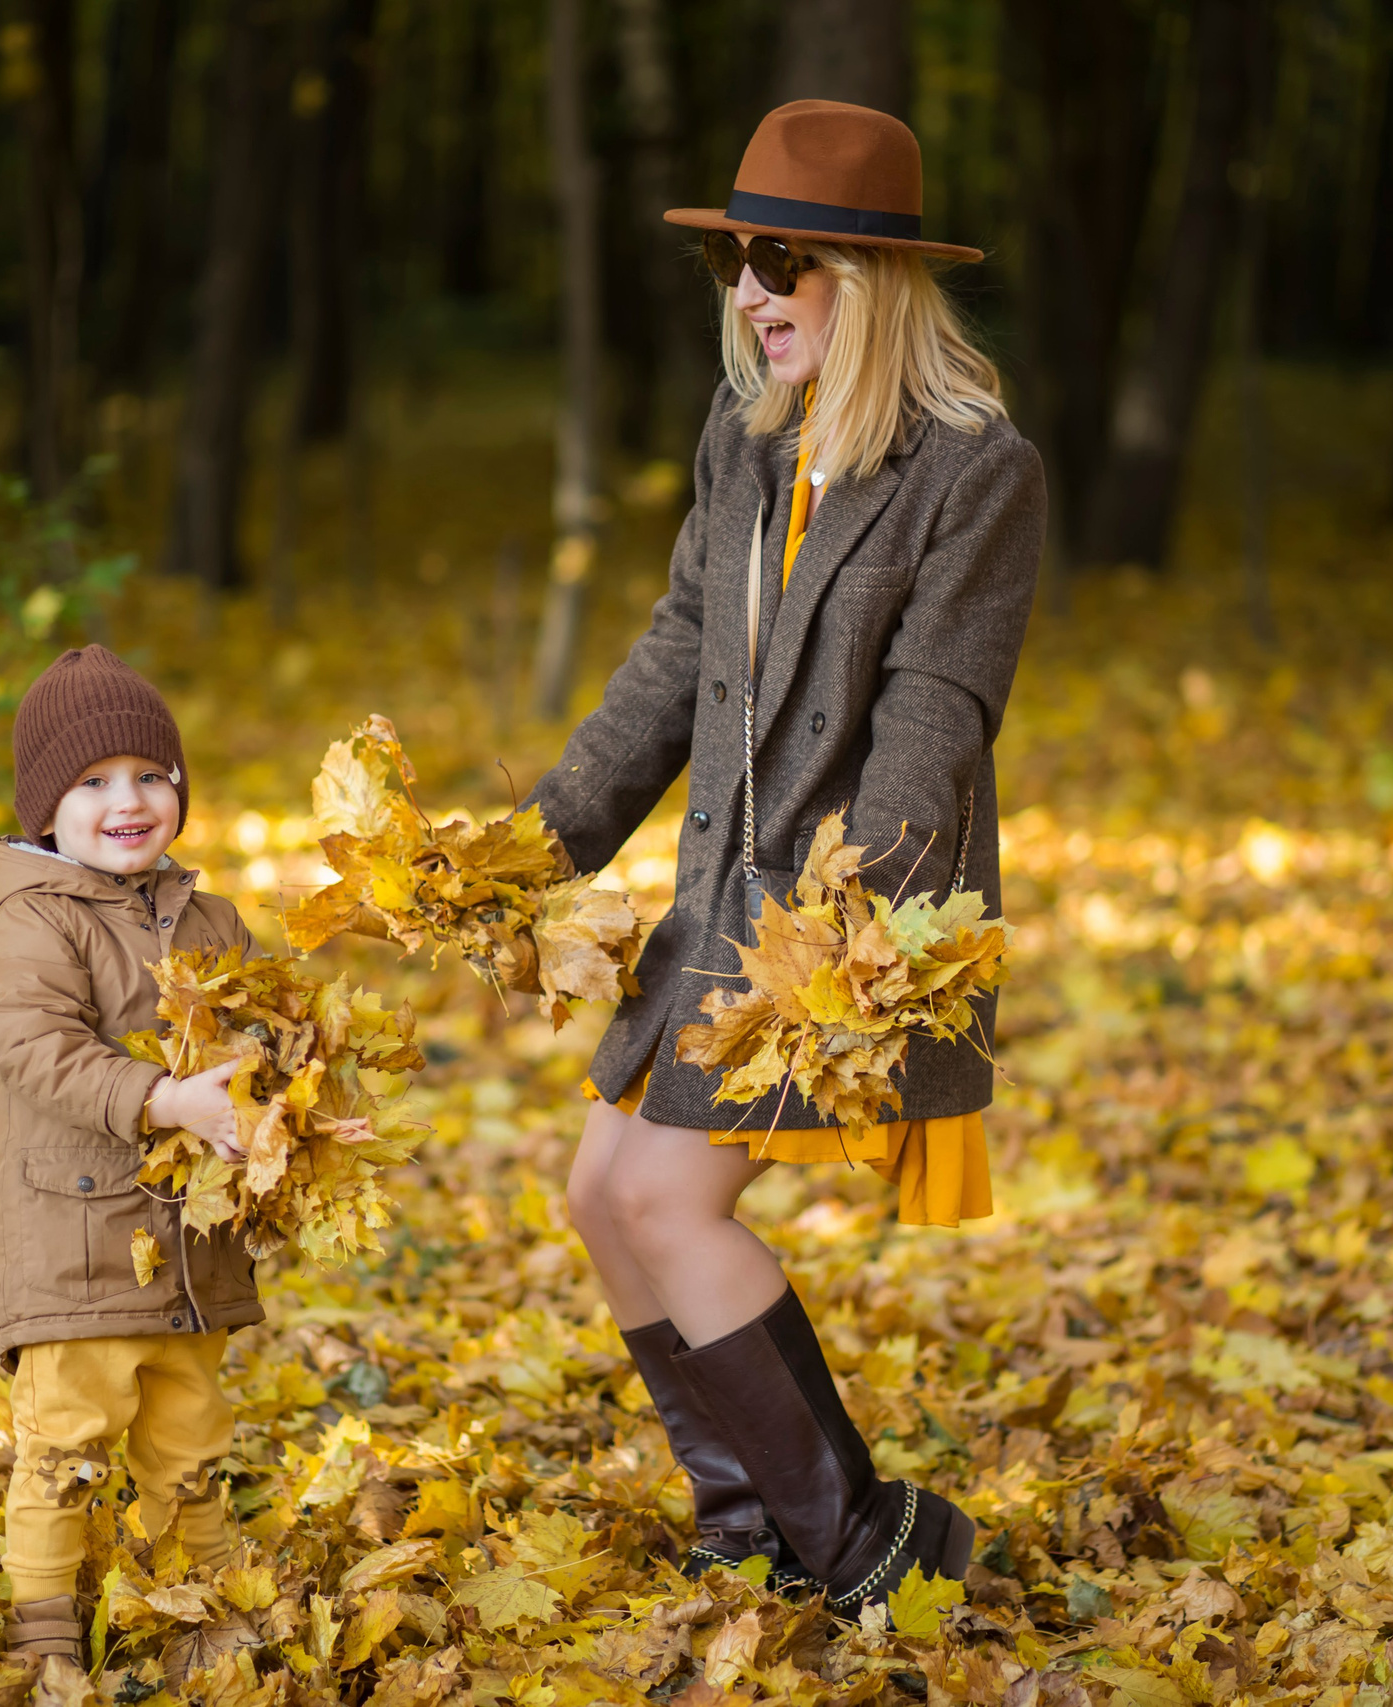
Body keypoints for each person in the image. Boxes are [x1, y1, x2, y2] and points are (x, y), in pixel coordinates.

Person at [526, 100, 1046, 1617]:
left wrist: (853, 909)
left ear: (867, 284)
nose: (749, 293)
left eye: (780, 262)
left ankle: (876, 1540)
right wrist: (542, 839)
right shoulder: (747, 439)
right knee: (598, 1185)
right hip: (717, 895)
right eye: (734, 262)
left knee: (674, 1201)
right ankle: (748, 1512)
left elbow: (936, 714)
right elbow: (680, 650)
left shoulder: (974, 471)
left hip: (847, 921)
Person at [0, 644, 259, 1670]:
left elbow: (259, 1041)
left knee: (190, 1447)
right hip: (74, 1239)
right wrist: (162, 1099)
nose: (126, 800)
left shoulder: (210, 918)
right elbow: (32, 1049)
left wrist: (290, 1107)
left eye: (148, 775)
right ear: (46, 808)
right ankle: (46, 1637)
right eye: (92, 783)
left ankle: (201, 1615)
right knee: (65, 1451)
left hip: (187, 1253)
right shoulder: (28, 922)